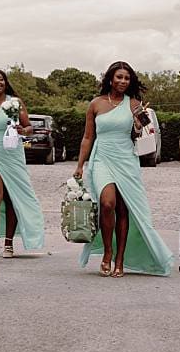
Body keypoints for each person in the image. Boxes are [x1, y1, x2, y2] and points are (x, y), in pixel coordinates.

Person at [72, 62, 172, 276]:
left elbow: (141, 135)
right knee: (107, 203)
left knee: (123, 209)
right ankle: (108, 251)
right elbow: (88, 137)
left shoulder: (134, 104)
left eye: (127, 78)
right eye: (119, 77)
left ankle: (120, 258)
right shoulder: (96, 104)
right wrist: (80, 165)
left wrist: (137, 126)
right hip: (101, 158)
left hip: (126, 159)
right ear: (110, 79)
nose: (123, 81)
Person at [0, 69, 45, 258]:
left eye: (0, 79)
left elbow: (28, 128)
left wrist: (23, 130)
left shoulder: (15, 103)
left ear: (5, 83)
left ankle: (9, 242)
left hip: (12, 153)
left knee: (12, 197)